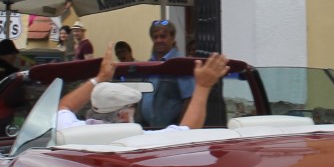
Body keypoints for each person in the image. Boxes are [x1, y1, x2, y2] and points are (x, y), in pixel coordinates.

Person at [59, 47, 229, 131]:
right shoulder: (143, 142)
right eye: (132, 108)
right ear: (123, 115)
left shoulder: (71, 131)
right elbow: (189, 129)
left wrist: (100, 78)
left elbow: (64, 106)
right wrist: (203, 86)